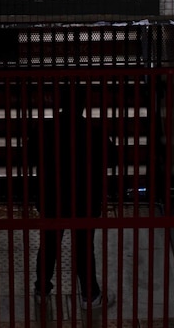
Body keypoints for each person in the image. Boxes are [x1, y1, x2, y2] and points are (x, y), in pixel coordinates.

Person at [33, 85, 115, 309]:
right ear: (83, 106)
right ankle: (90, 295)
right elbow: (112, 159)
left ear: (59, 104)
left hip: (52, 198)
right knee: (84, 248)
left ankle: (41, 288)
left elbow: (31, 156)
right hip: (83, 200)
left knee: (49, 244)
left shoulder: (45, 129)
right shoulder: (93, 131)